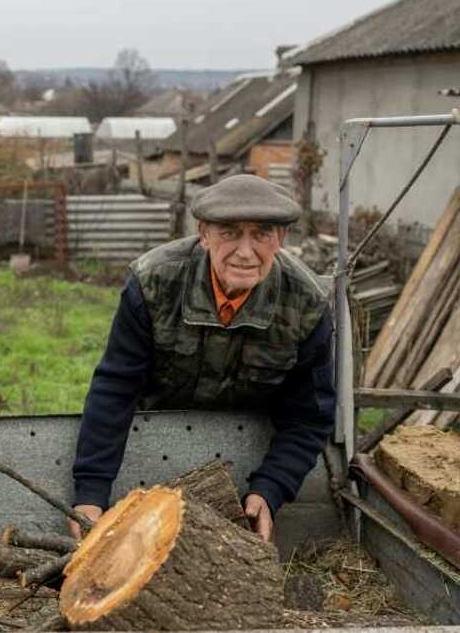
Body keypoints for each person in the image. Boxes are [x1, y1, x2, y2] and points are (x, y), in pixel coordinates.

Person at [70, 174, 335, 542]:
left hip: (248, 452)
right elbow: (116, 388)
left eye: (261, 234)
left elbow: (309, 416)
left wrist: (270, 489)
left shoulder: (307, 305)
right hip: (155, 439)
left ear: (281, 239)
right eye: (229, 232)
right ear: (203, 233)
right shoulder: (153, 283)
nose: (245, 251)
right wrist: (91, 493)